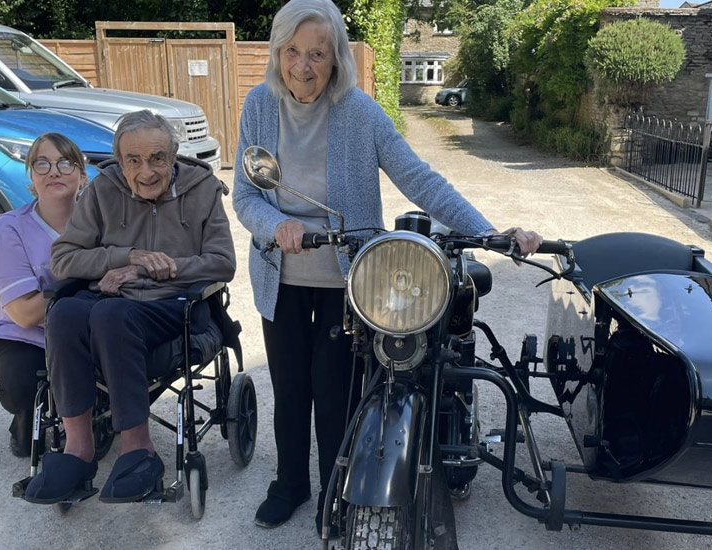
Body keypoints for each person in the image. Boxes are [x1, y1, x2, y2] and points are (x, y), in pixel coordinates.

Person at [231, 0, 543, 535]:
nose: (302, 66)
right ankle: (289, 485)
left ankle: (336, 488)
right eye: (292, 52)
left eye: (317, 54)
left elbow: (420, 179)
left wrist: (493, 231)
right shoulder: (259, 105)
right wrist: (273, 226)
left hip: (349, 277)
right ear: (277, 52)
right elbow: (245, 195)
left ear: (337, 59)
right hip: (279, 273)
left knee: (336, 394)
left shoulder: (359, 111)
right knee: (288, 389)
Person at [22, 110, 236, 504]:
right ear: (119, 163)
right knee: (65, 312)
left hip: (173, 305)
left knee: (110, 314)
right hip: (108, 297)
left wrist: (159, 270)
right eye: (133, 161)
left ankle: (138, 448)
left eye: (157, 158)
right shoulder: (103, 190)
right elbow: (64, 259)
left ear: (173, 156)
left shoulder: (202, 187)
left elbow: (223, 262)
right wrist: (127, 257)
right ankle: (78, 451)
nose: (147, 171)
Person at [0, 132, 88, 458]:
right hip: (26, 338)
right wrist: (85, 276)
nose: (53, 171)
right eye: (42, 163)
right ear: (31, 177)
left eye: (65, 163)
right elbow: (25, 314)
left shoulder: (100, 223)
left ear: (82, 175)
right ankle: (24, 420)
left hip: (83, 332)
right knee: (21, 386)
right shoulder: (8, 229)